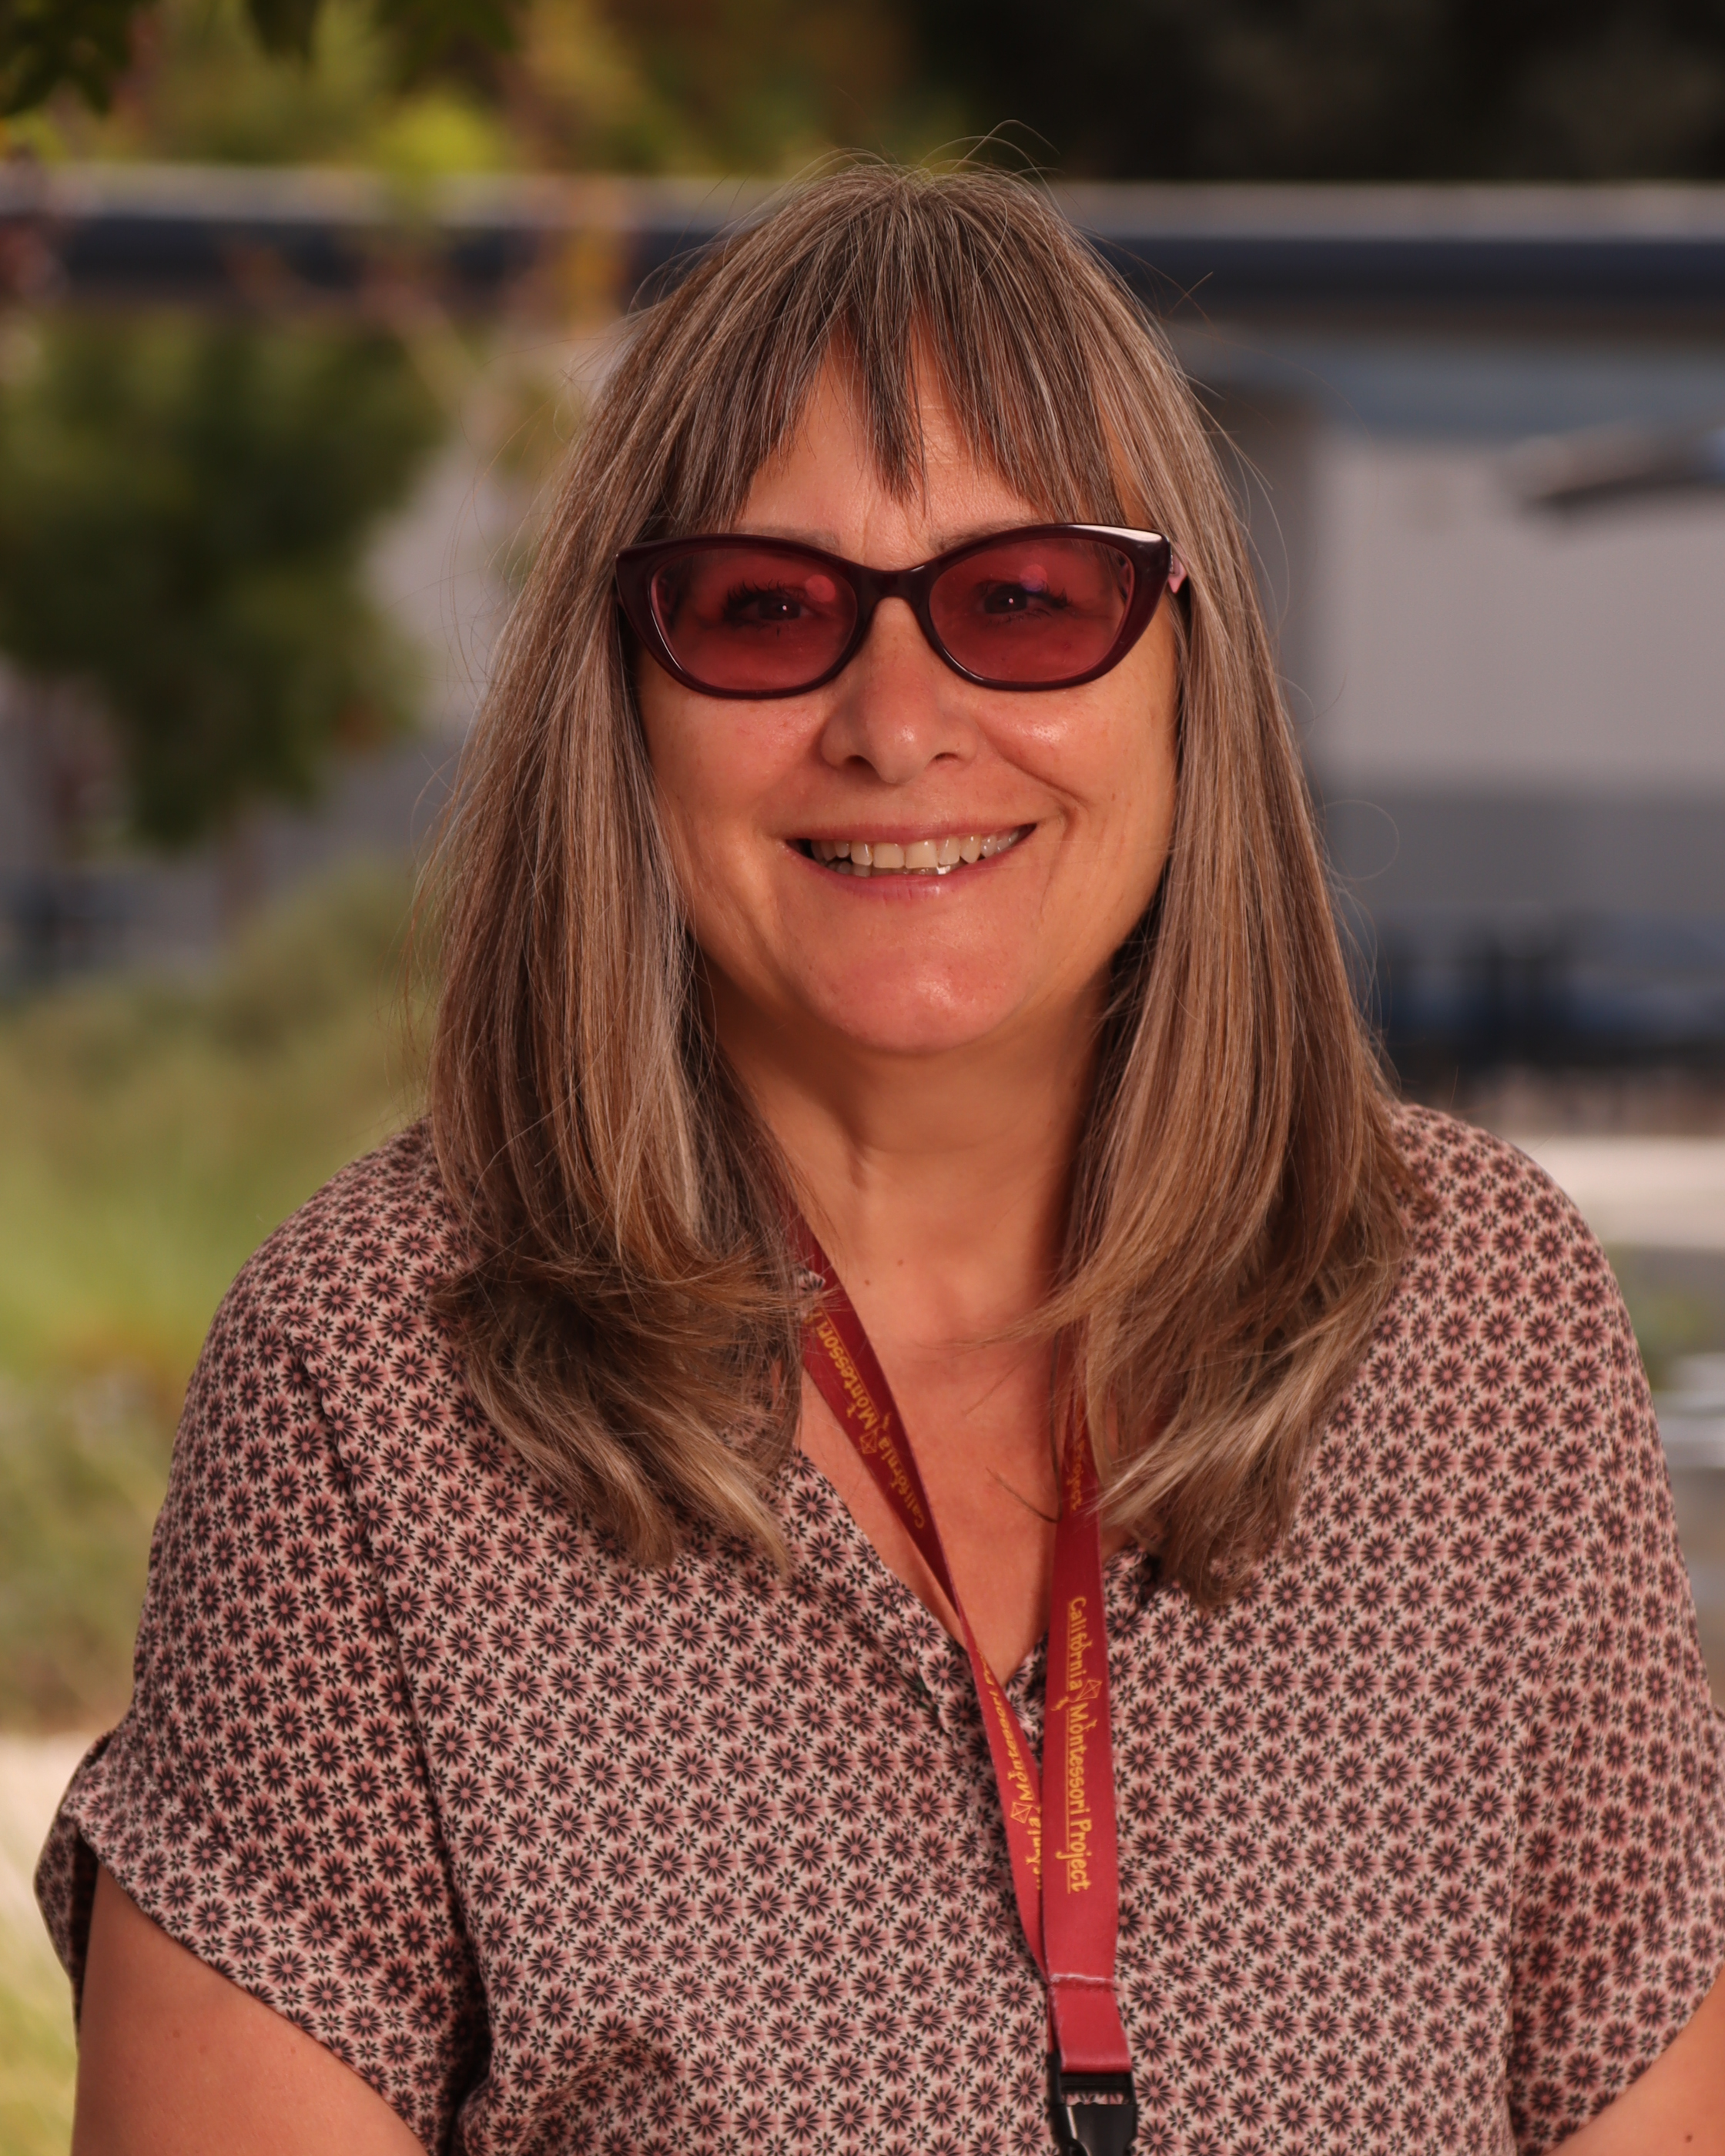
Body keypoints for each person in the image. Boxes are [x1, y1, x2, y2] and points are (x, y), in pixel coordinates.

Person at [39, 166, 1725, 2156]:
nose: (900, 723)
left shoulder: (1478, 1320)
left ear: (1187, 673)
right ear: (622, 699)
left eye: (1026, 601)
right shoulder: (375, 1381)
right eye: (765, 610)